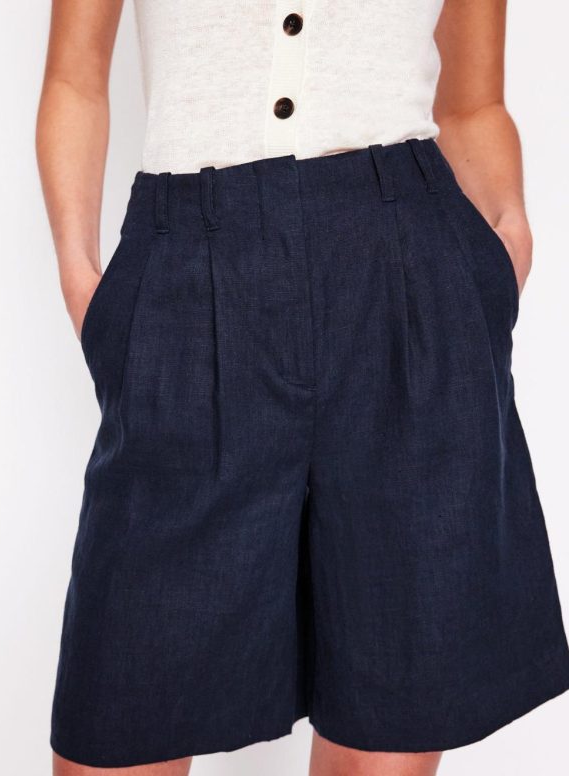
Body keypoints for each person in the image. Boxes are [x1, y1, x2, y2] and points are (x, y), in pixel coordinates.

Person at [36, 1, 569, 774]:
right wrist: (82, 278)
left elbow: (473, 102)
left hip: (408, 278)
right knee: (119, 717)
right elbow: (76, 77)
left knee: (388, 725)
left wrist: (500, 245)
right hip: (190, 267)